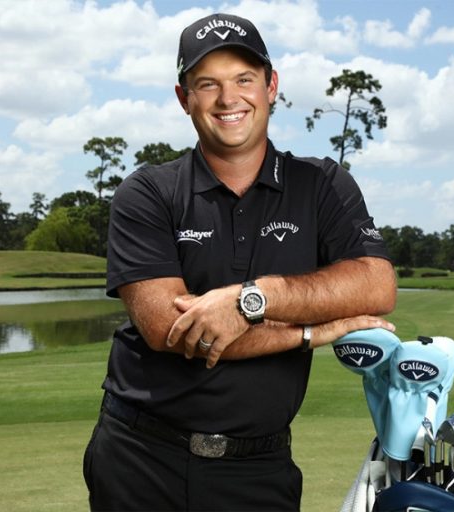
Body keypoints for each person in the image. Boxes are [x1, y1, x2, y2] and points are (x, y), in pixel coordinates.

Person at [82, 12, 398, 512]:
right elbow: (171, 329)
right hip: (139, 458)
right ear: (184, 98)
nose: (229, 100)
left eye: (244, 79)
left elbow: (375, 284)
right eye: (207, 84)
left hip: (258, 467)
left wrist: (249, 300)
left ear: (271, 86)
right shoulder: (147, 192)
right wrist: (309, 333)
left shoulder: (321, 185)